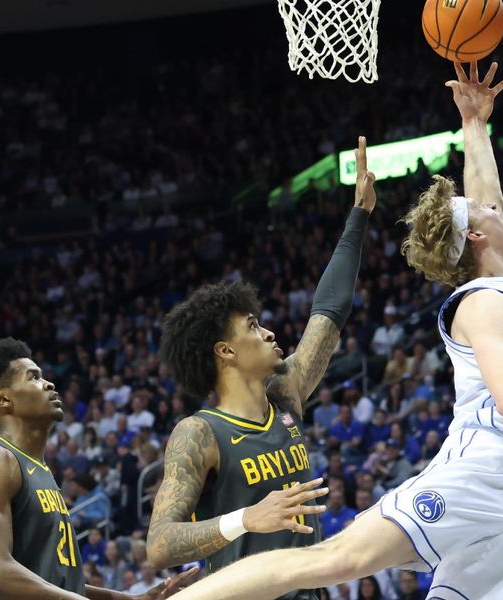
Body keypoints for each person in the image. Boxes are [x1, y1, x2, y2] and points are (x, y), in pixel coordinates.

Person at [164, 62, 503, 600]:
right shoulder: (484, 303)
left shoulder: (496, 280)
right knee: (336, 560)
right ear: (480, 239)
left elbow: (485, 200)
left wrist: (475, 124)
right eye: (482, 211)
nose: (491, 204)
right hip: (483, 469)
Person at [145, 137, 377, 599]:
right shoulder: (199, 433)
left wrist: (359, 216)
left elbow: (328, 314)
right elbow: (160, 543)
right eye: (252, 326)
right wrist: (246, 519)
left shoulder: (285, 394)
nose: (269, 332)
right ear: (224, 352)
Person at [0, 337, 196, 599]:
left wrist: (134, 599)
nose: (48, 383)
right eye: (33, 377)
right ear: (2, 400)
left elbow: (58, 586)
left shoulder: (41, 470)